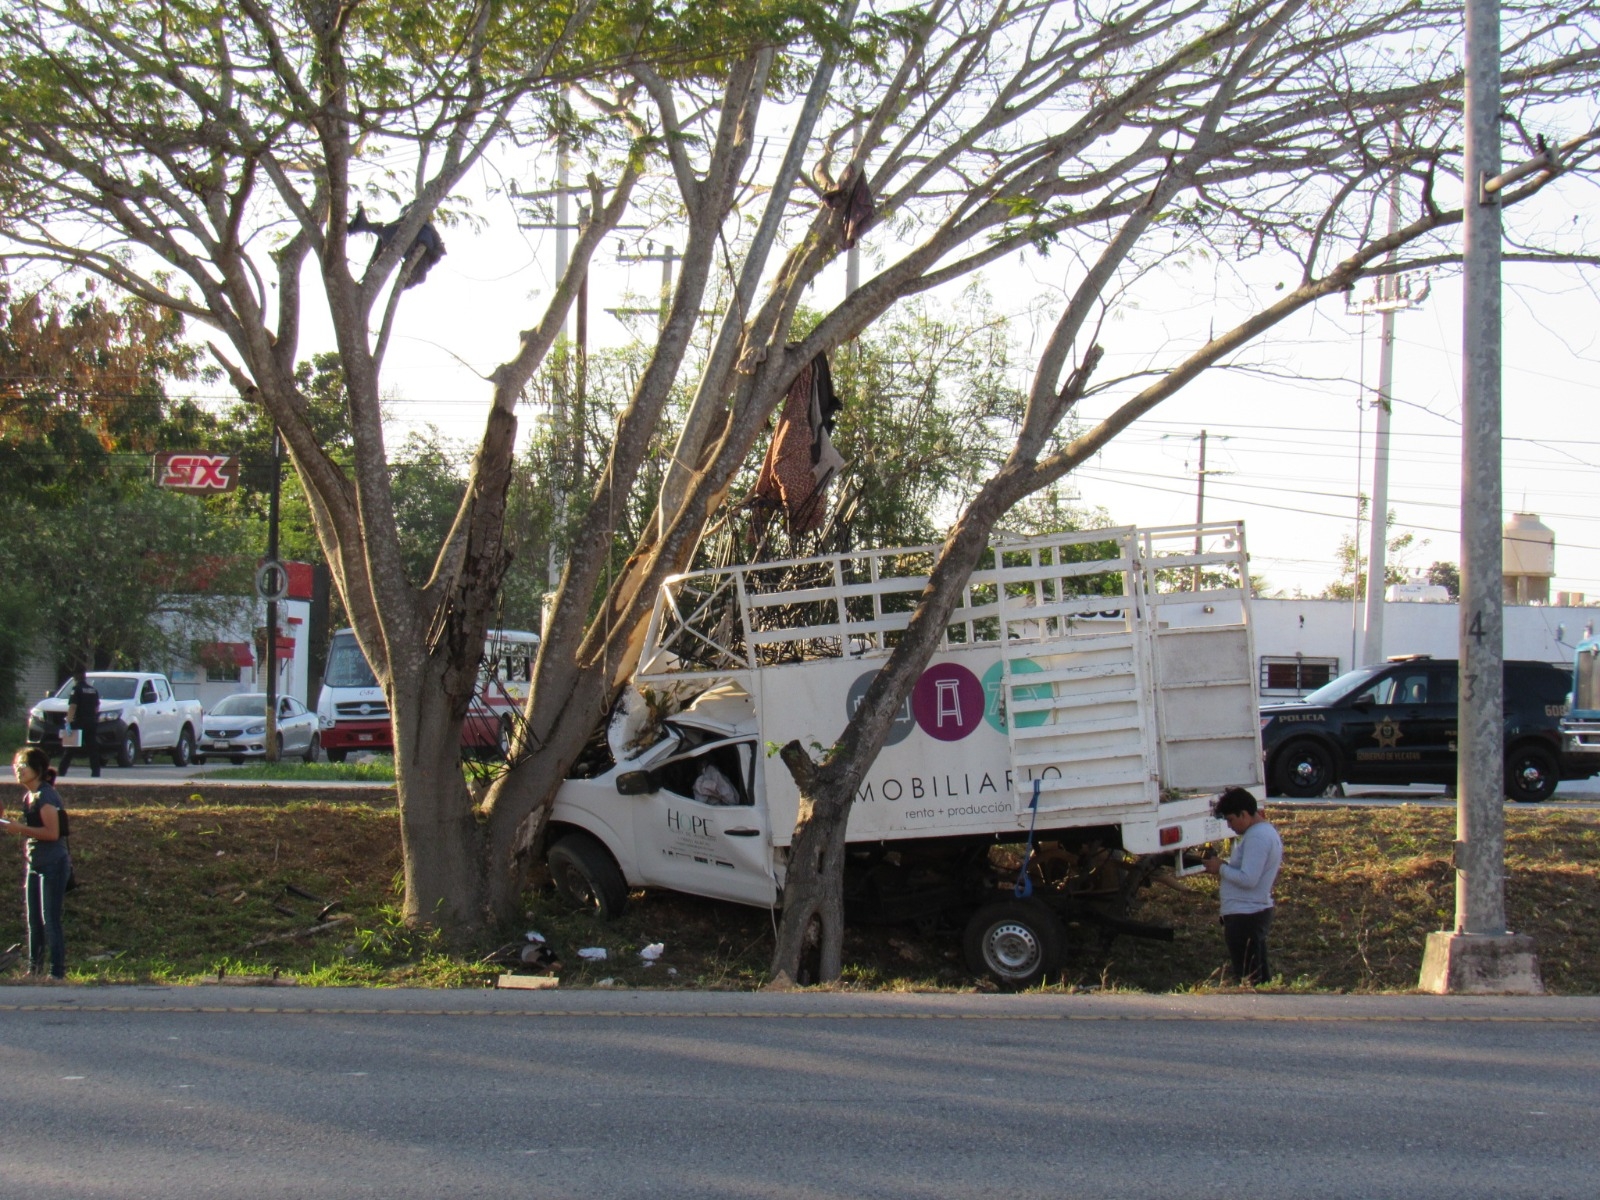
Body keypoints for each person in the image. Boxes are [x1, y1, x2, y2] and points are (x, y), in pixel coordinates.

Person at [1, 747, 72, 980]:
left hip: (53, 863)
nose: (17, 770)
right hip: (35, 863)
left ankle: (56, 973)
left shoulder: (46, 796)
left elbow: (52, 833)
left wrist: (20, 828)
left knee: (50, 918)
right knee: (34, 920)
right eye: (15, 765)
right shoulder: (28, 796)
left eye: (23, 765)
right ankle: (34, 970)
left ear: (38, 770)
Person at [1202, 787, 1283, 986]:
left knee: (1249, 977)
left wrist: (1221, 868)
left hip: (1246, 914)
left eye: (1231, 820)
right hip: (1249, 911)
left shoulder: (1257, 837)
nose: (1230, 826)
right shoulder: (1262, 833)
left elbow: (1248, 879)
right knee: (1257, 976)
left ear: (1244, 814)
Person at [57, 668, 103, 778]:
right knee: (92, 749)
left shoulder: (76, 689)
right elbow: (96, 707)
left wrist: (68, 721)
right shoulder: (93, 690)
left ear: (75, 677)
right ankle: (96, 773)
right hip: (91, 722)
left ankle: (61, 772)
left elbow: (73, 706)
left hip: (78, 723)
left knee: (70, 750)